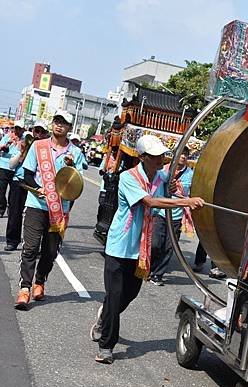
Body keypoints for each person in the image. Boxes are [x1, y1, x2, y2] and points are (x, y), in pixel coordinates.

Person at [90, 135, 204, 364]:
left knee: (129, 294)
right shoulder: (128, 177)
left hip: (141, 249)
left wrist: (175, 188)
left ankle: (104, 317)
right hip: (120, 245)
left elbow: (173, 185)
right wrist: (185, 202)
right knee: (114, 295)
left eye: (162, 155)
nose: (161, 160)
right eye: (155, 157)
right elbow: (150, 202)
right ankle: (106, 346)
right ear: (142, 158)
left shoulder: (162, 177)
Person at [13, 111, 86, 309]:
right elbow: (27, 173)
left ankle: (40, 281)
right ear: (52, 123)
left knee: (50, 251)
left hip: (59, 209)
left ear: (70, 128)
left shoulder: (76, 153)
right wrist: (37, 189)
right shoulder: (39, 146)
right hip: (36, 205)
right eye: (57, 121)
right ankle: (25, 288)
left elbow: (77, 186)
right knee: (30, 247)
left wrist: (73, 167)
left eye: (64, 123)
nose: (59, 125)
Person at [149, 147, 194, 285]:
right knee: (156, 243)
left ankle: (157, 274)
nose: (183, 157)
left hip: (176, 214)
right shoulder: (162, 171)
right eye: (181, 154)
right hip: (161, 212)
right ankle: (149, 268)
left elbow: (191, 193)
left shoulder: (191, 174)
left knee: (169, 246)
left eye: (186, 155)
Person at [5, 122, 50, 251]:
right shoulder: (23, 143)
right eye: (37, 131)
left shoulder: (47, 147)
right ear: (33, 131)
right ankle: (12, 240)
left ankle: (35, 244)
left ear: (46, 133)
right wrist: (22, 151)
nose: (39, 134)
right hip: (20, 181)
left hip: (38, 186)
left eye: (42, 132)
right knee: (14, 213)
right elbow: (11, 165)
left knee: (38, 215)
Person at [0, 120, 25, 217]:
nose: (17, 130)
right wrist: (7, 144)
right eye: (16, 128)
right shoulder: (7, 136)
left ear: (23, 130)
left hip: (16, 169)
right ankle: (1, 208)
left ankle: (11, 209)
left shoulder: (24, 140)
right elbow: (1, 148)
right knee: (1, 190)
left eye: (19, 128)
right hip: (3, 166)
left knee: (13, 192)